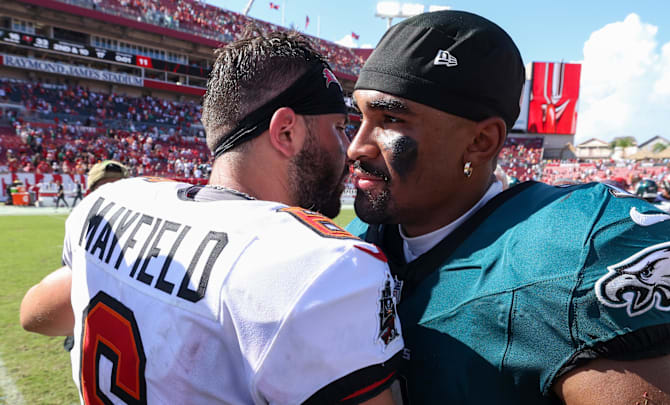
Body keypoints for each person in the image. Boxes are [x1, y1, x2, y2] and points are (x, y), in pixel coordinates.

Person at [20, 29, 403, 404]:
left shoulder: (113, 202)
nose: (350, 148)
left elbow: (34, 314)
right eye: (338, 128)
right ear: (285, 132)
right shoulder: (320, 267)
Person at [346, 11, 670, 404]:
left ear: (481, 142)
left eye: (391, 119)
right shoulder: (353, 250)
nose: (356, 147)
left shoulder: (569, 254)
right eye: (359, 116)